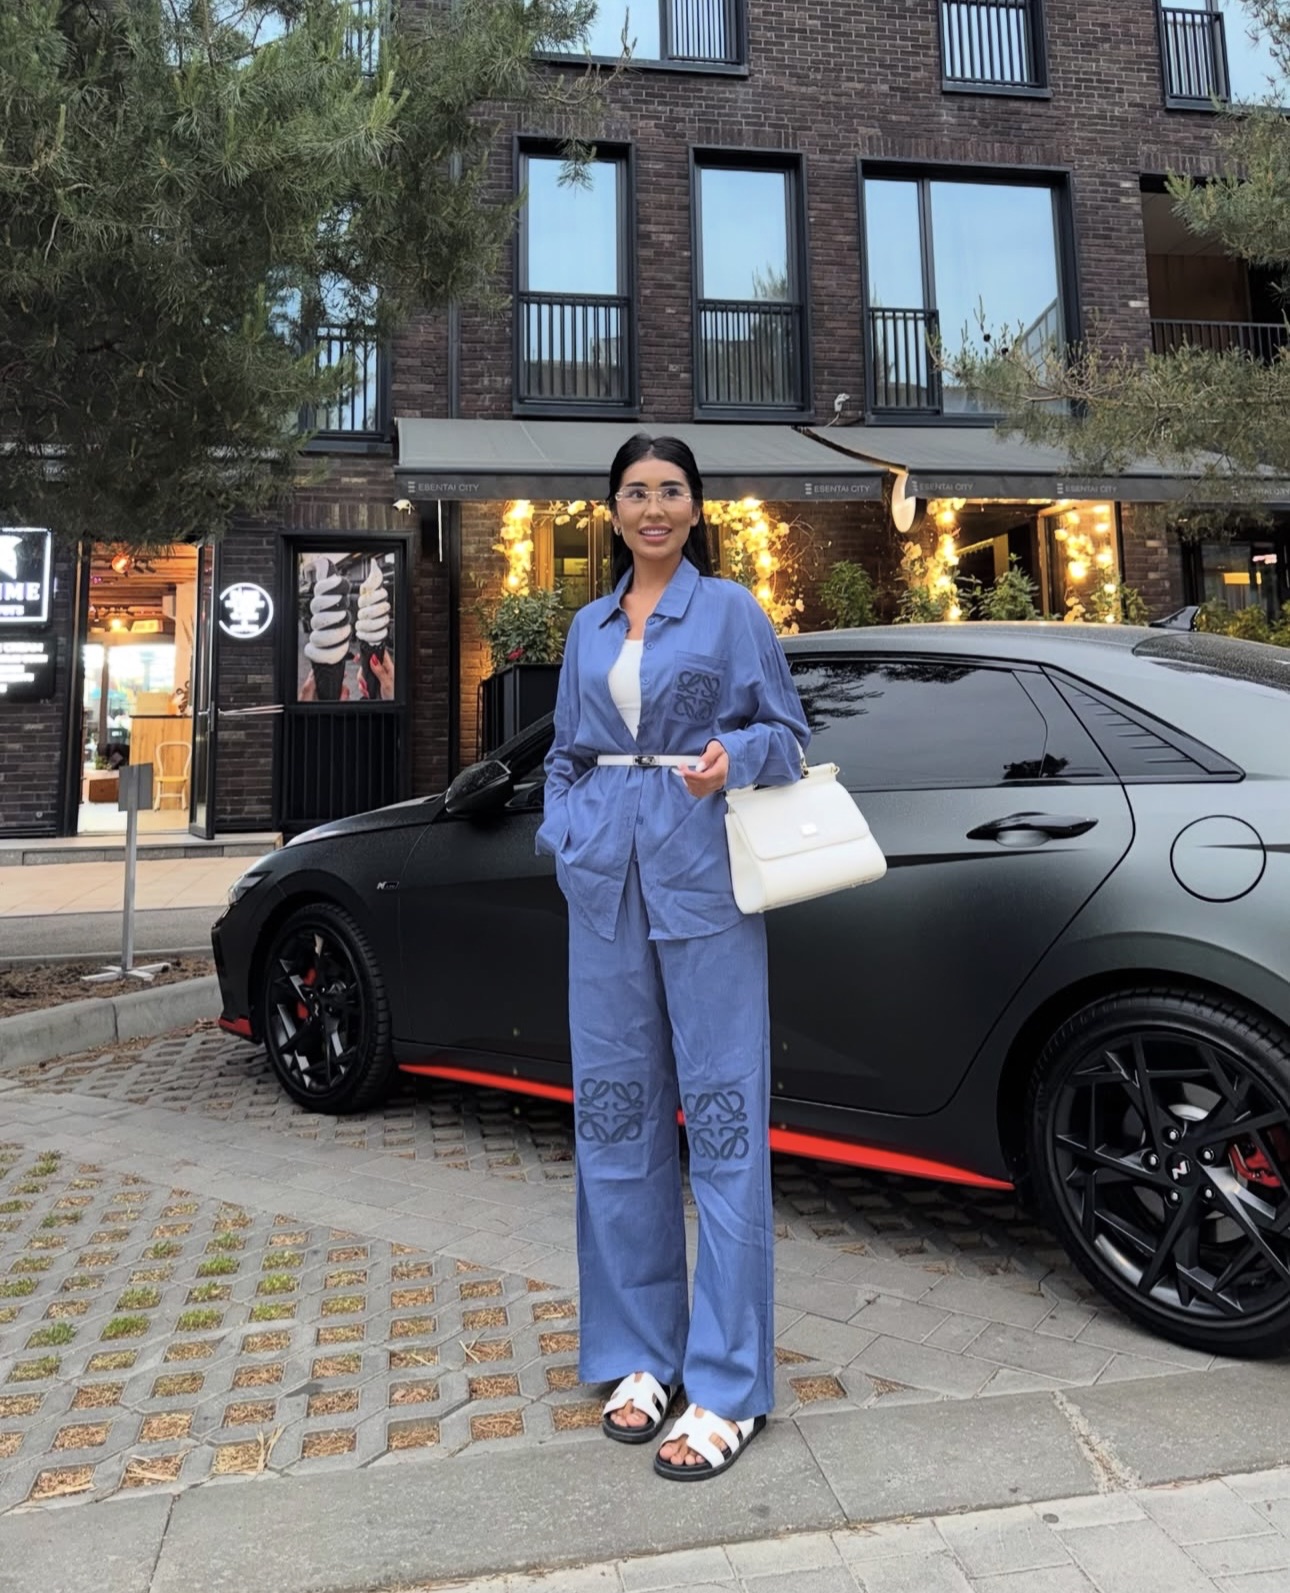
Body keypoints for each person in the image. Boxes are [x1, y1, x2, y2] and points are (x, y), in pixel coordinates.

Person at [536, 433, 809, 1481]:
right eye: (635, 492)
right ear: (611, 511)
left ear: (696, 508)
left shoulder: (732, 611)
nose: (653, 508)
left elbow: (787, 734)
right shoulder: (587, 627)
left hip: (703, 883)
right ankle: (639, 1352)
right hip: (603, 886)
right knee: (615, 1118)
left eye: (671, 491)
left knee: (725, 1122)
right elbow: (565, 754)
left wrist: (733, 757)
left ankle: (728, 1384)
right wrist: (565, 832)